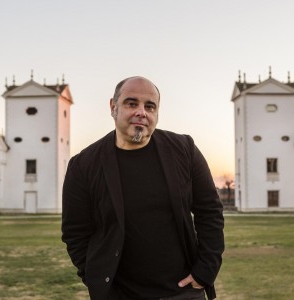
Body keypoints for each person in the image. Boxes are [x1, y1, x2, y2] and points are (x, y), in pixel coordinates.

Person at [62, 76, 225, 300]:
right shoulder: (83, 165)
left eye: (150, 106)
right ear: (113, 107)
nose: (142, 112)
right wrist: (95, 278)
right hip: (119, 295)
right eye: (131, 103)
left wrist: (206, 270)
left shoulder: (185, 150)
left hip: (182, 292)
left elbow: (210, 212)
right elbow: (75, 232)